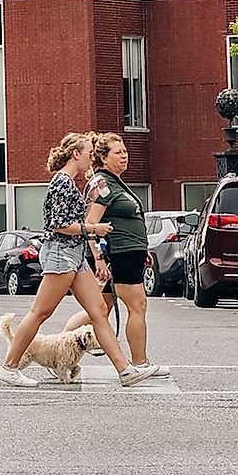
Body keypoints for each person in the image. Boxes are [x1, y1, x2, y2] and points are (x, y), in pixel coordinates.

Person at [0, 134, 161, 388]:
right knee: (41, 312)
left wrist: (90, 205)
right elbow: (59, 225)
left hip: (74, 254)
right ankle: (9, 366)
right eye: (87, 153)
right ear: (76, 154)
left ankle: (125, 370)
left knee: (99, 312)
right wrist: (94, 229)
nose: (90, 158)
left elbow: (70, 216)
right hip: (61, 253)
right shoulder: (62, 182)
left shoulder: (70, 183)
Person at [87, 134, 152, 368]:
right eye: (117, 152)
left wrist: (142, 248)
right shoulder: (101, 184)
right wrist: (99, 258)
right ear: (103, 158)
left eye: (125, 151)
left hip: (130, 252)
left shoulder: (115, 182)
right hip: (118, 252)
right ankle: (140, 363)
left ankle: (63, 342)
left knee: (99, 309)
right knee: (138, 305)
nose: (124, 156)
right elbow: (91, 223)